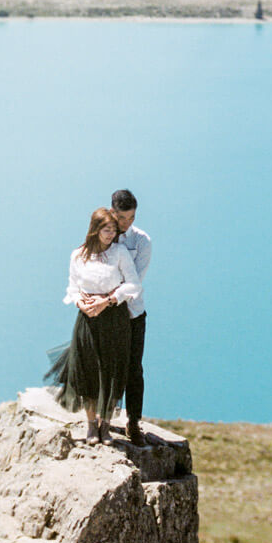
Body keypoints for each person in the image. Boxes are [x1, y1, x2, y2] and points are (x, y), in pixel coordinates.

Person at [47, 207, 141, 444]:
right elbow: (72, 287)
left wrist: (108, 300)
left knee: (112, 369)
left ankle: (106, 425)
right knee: (87, 368)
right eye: (105, 230)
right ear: (95, 229)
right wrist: (81, 303)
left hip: (113, 316)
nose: (110, 234)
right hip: (88, 316)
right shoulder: (78, 254)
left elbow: (133, 285)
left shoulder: (119, 252)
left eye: (113, 230)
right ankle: (91, 425)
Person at [111, 188, 151, 447]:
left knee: (134, 368)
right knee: (107, 364)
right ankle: (103, 416)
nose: (126, 224)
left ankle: (133, 421)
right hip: (107, 314)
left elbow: (135, 280)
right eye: (122, 218)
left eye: (131, 218)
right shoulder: (103, 235)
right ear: (112, 212)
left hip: (132, 312)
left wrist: (113, 297)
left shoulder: (143, 241)